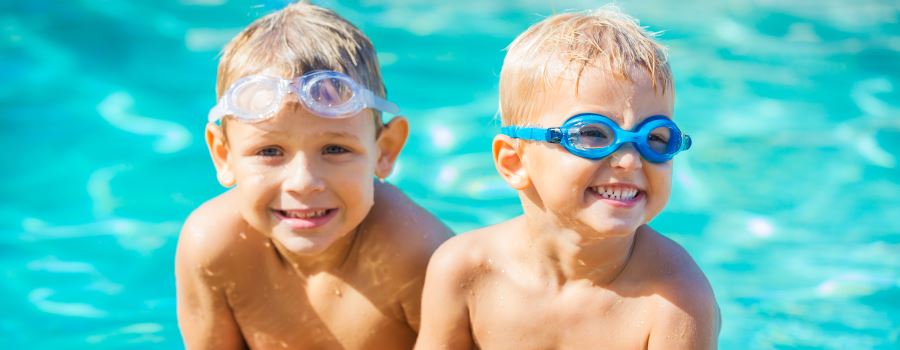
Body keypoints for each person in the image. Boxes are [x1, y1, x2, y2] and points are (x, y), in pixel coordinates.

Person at [416, 6, 720, 349]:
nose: (629, 160)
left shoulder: (675, 299)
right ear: (514, 162)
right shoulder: (464, 270)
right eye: (592, 134)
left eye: (655, 138)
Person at [175, 3, 451, 349]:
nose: (303, 182)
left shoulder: (417, 257)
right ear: (223, 155)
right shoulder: (212, 247)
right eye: (270, 151)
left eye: (335, 149)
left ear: (385, 151)